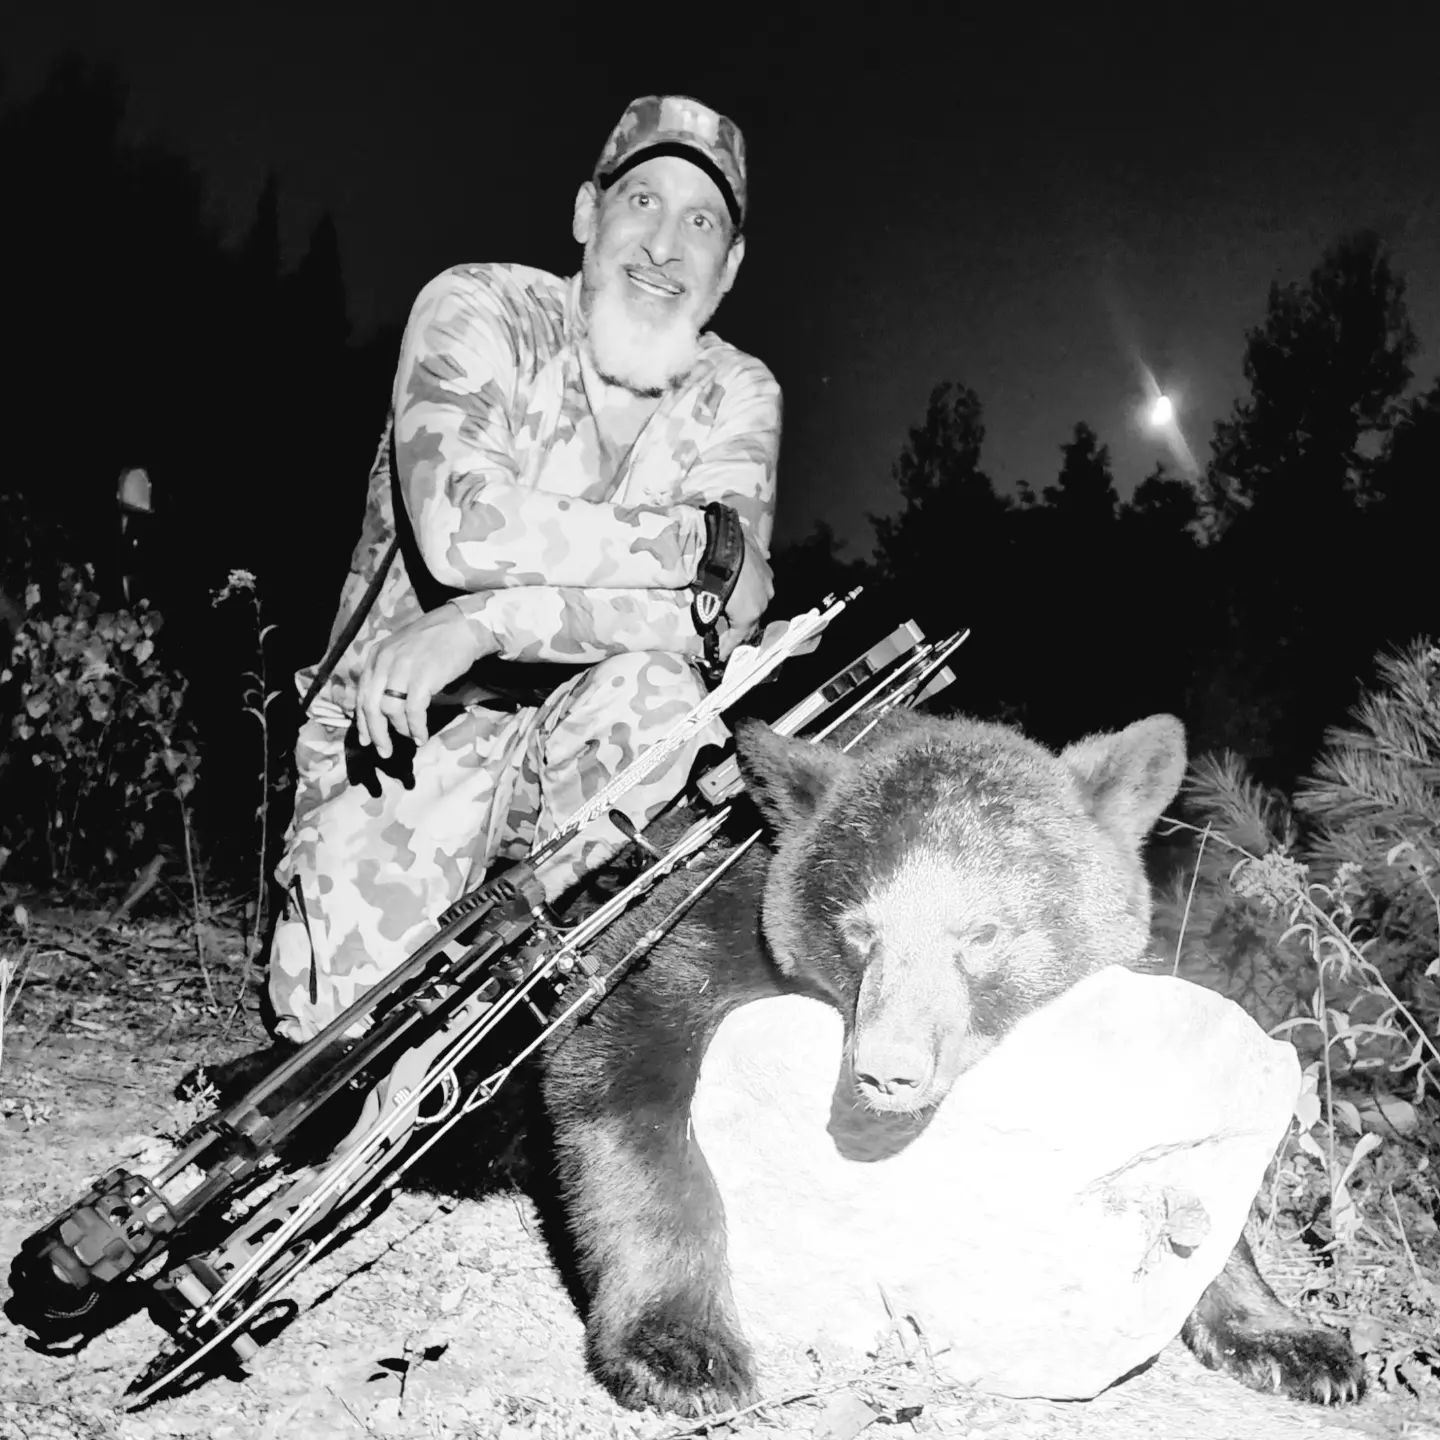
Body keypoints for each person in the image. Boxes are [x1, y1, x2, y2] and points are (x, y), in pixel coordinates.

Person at [221, 95, 779, 1084]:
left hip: (585, 722)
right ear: (586, 213)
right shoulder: (477, 308)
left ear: (729, 266)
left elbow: (721, 617)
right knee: (339, 1052)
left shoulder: (739, 392)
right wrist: (693, 543)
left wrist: (491, 621)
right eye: (642, 201)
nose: (664, 246)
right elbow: (463, 529)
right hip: (410, 733)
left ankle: (565, 1001)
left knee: (659, 696)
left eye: (701, 222)